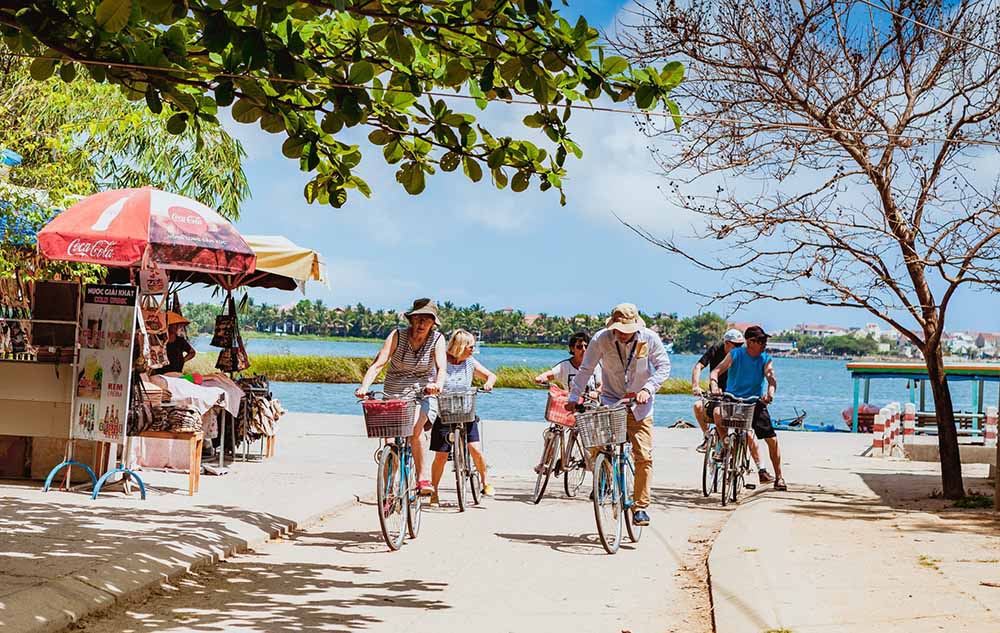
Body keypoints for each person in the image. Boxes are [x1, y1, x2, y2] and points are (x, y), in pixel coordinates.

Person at [565, 303, 671, 527]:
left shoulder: (649, 338)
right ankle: (604, 477)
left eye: (628, 330)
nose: (623, 334)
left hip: (640, 404)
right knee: (599, 444)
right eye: (619, 330)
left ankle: (640, 506)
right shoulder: (600, 339)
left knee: (643, 455)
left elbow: (663, 367)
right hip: (611, 400)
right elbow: (585, 369)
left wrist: (648, 389)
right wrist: (574, 397)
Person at [356, 298, 446, 496]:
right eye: (418, 319)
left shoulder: (437, 339)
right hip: (394, 393)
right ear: (411, 320)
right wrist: (364, 386)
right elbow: (379, 363)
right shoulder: (397, 335)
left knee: (415, 430)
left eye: (427, 320)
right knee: (390, 443)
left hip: (423, 392)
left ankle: (422, 478)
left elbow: (441, 368)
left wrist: (437, 384)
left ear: (433, 323)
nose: (421, 324)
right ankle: (388, 490)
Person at [709, 325, 786, 491]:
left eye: (765, 341)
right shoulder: (735, 354)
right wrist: (714, 386)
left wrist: (770, 394)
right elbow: (716, 371)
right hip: (733, 399)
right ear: (750, 342)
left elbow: (771, 379)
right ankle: (725, 443)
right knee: (717, 413)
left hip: (755, 401)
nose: (765, 344)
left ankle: (778, 476)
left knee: (772, 440)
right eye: (761, 341)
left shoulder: (765, 359)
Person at [429, 329, 497, 505]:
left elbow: (491, 375)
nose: (473, 350)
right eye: (471, 346)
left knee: (475, 449)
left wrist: (488, 383)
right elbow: (430, 378)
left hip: (466, 411)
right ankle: (434, 492)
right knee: (441, 455)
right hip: (444, 411)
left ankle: (485, 482)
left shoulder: (470, 362)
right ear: (461, 346)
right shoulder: (441, 361)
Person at [691, 329, 745, 453]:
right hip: (716, 393)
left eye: (741, 344)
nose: (739, 347)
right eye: (736, 345)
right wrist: (696, 385)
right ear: (726, 343)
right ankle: (708, 437)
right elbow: (698, 366)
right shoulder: (716, 350)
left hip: (735, 395)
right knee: (698, 406)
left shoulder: (743, 355)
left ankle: (729, 449)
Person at [534, 331, 603, 394]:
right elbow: (548, 375)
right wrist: (540, 378)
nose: (583, 349)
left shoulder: (595, 365)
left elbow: (603, 384)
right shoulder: (564, 366)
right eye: (579, 347)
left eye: (586, 346)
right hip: (571, 404)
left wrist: (597, 392)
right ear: (572, 349)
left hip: (592, 405)